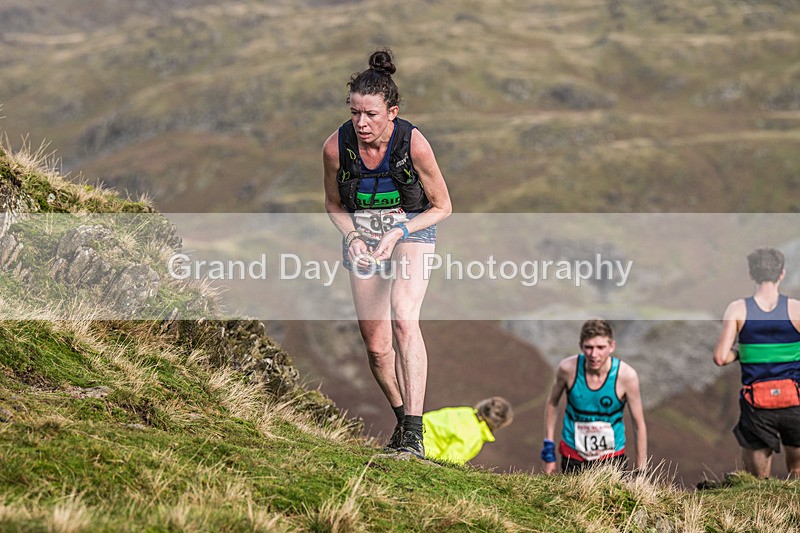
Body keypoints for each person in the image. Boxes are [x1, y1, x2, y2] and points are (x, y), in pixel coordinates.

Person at [322, 49, 452, 459]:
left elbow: (443, 206)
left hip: (412, 230)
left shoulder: (415, 144)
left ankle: (414, 433)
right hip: (362, 239)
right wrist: (352, 237)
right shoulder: (335, 147)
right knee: (377, 347)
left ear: (392, 113)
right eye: (355, 112)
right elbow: (333, 204)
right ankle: (402, 421)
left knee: (403, 317)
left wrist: (399, 231)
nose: (361, 123)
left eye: (371, 114)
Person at [713, 247, 800, 479]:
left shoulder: (738, 309)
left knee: (757, 482)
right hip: (795, 400)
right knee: (798, 474)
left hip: (757, 406)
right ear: (781, 274)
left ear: (751, 274)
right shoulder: (796, 308)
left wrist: (742, 352)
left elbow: (720, 357)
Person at [542, 319, 647, 474]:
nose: (593, 354)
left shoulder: (626, 376)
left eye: (600, 347)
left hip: (612, 457)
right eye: (588, 347)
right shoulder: (567, 369)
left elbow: (638, 424)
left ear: (612, 346)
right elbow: (552, 403)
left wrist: (641, 472)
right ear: (581, 346)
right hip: (573, 455)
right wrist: (549, 454)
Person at [423, 397, 514, 465]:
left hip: (415, 434)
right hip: (422, 452)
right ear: (498, 425)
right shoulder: (473, 435)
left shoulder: (464, 411)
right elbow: (447, 463)